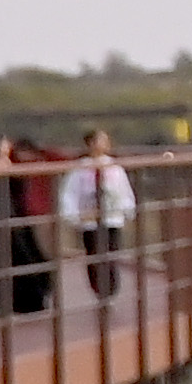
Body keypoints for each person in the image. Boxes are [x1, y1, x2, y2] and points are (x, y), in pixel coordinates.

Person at [56, 126, 139, 301]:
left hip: (112, 218)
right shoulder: (79, 169)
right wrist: (73, 215)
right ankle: (98, 288)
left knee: (111, 253)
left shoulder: (115, 167)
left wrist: (127, 209)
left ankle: (110, 288)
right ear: (90, 143)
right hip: (90, 219)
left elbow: (123, 190)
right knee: (94, 254)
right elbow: (69, 193)